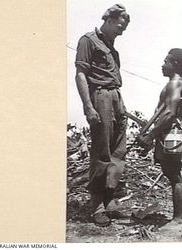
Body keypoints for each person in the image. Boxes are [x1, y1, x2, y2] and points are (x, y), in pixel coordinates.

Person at [74, 4, 130, 226]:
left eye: (124, 28)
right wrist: (88, 106)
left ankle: (109, 202)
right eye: (119, 26)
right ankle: (97, 206)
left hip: (116, 97)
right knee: (101, 153)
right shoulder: (88, 40)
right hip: (100, 97)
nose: (121, 31)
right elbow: (80, 75)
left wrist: (120, 104)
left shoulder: (111, 46)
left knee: (118, 152)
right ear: (108, 20)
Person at [137, 48, 182, 227]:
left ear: (175, 64)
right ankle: (178, 216)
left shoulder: (175, 84)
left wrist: (151, 135)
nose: (162, 65)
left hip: (171, 132)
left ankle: (179, 218)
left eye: (166, 61)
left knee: (174, 174)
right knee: (171, 173)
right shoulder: (174, 83)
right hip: (167, 132)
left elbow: (169, 113)